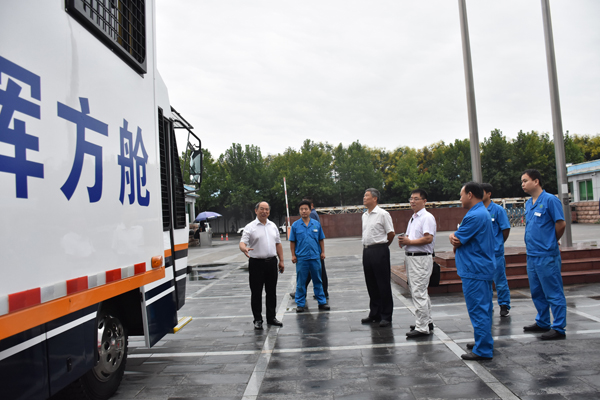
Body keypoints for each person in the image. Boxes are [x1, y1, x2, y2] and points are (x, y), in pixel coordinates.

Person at [449, 182, 496, 360]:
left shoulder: (475, 215)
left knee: (478, 310)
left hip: (475, 269)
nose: (460, 198)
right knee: (483, 308)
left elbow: (457, 239)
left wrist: (450, 235)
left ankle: (483, 349)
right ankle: (482, 341)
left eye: (461, 194)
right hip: (479, 268)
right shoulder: (479, 212)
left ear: (470, 195)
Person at [521, 169, 567, 340]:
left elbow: (560, 224)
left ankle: (559, 327)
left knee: (553, 291)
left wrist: (551, 241)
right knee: (537, 291)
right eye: (522, 181)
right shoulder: (528, 203)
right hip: (532, 255)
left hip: (546, 255)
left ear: (536, 181)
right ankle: (543, 321)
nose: (523, 184)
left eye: (525, 180)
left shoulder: (550, 200)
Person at [239, 201, 285, 330]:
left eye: (267, 209)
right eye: (261, 209)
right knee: (256, 292)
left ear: (269, 212)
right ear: (256, 210)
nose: (264, 211)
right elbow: (242, 242)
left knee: (271, 292)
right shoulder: (250, 227)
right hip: (256, 264)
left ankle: (271, 317)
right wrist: (244, 249)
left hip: (271, 262)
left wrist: (281, 260)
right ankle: (258, 319)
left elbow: (278, 244)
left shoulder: (273, 226)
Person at [398, 189, 437, 338]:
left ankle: (422, 327)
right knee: (420, 291)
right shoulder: (414, 217)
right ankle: (427, 321)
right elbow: (410, 236)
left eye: (416, 198)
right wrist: (405, 241)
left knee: (418, 292)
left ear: (424, 201)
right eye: (411, 198)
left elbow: (428, 238)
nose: (412, 201)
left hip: (420, 258)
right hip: (412, 257)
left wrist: (410, 242)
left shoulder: (426, 217)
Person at [361, 188, 395, 327]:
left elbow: (391, 233)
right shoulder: (364, 215)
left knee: (383, 284)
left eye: (366, 196)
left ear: (374, 198)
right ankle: (374, 313)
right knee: (371, 284)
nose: (364, 198)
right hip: (367, 251)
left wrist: (383, 246)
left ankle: (386, 315)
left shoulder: (383, 214)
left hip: (380, 250)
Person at [289, 200, 330, 313]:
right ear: (299, 211)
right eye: (301, 209)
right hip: (301, 258)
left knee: (318, 280)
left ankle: (321, 302)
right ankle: (300, 304)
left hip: (315, 257)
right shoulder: (295, 226)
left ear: (310, 210)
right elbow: (292, 241)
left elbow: (321, 239)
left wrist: (322, 252)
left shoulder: (316, 224)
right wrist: (293, 255)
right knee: (301, 282)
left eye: (305, 209)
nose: (303, 211)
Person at [481, 183, 512, 317]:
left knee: (500, 280)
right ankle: (488, 305)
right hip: (482, 253)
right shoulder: (478, 211)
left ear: (489, 194)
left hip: (495, 253)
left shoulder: (498, 210)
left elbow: (505, 229)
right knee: (484, 282)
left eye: (481, 192)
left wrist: (498, 243)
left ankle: (504, 305)